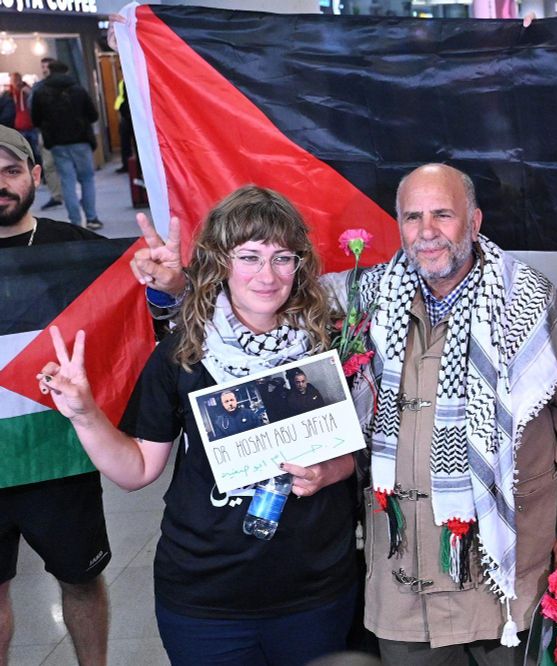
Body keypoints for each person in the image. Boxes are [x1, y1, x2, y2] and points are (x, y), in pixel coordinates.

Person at [37, 185, 359, 666]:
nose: (267, 275)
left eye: (282, 258)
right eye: (248, 257)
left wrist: (331, 471)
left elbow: (368, 451)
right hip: (207, 599)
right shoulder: (184, 352)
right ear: (220, 263)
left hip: (317, 591)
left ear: (301, 264)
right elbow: (138, 469)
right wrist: (85, 414)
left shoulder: (334, 343)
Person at [344, 163, 557, 664]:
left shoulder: (530, 301)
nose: (426, 232)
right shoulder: (368, 303)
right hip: (401, 574)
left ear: (474, 222)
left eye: (443, 214)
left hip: (505, 572)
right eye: (412, 217)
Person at [0, 125, 109, 666]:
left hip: (59, 454)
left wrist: (167, 286)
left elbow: (145, 314)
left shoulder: (80, 251)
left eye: (11, 170)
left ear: (35, 176)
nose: (0, 183)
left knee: (82, 579)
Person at [30, 60, 102, 230]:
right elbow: (93, 115)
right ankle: (92, 217)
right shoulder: (78, 89)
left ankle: (76, 221)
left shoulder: (41, 92)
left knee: (67, 181)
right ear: (66, 71)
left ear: (50, 71)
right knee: (87, 179)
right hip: (81, 141)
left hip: (57, 144)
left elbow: (36, 119)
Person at [31, 57, 63, 210]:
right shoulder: (38, 87)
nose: (44, 69)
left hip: (60, 132)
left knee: (59, 164)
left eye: (47, 66)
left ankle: (61, 194)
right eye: (43, 66)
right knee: (49, 165)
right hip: (47, 131)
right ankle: (57, 195)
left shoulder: (64, 86)